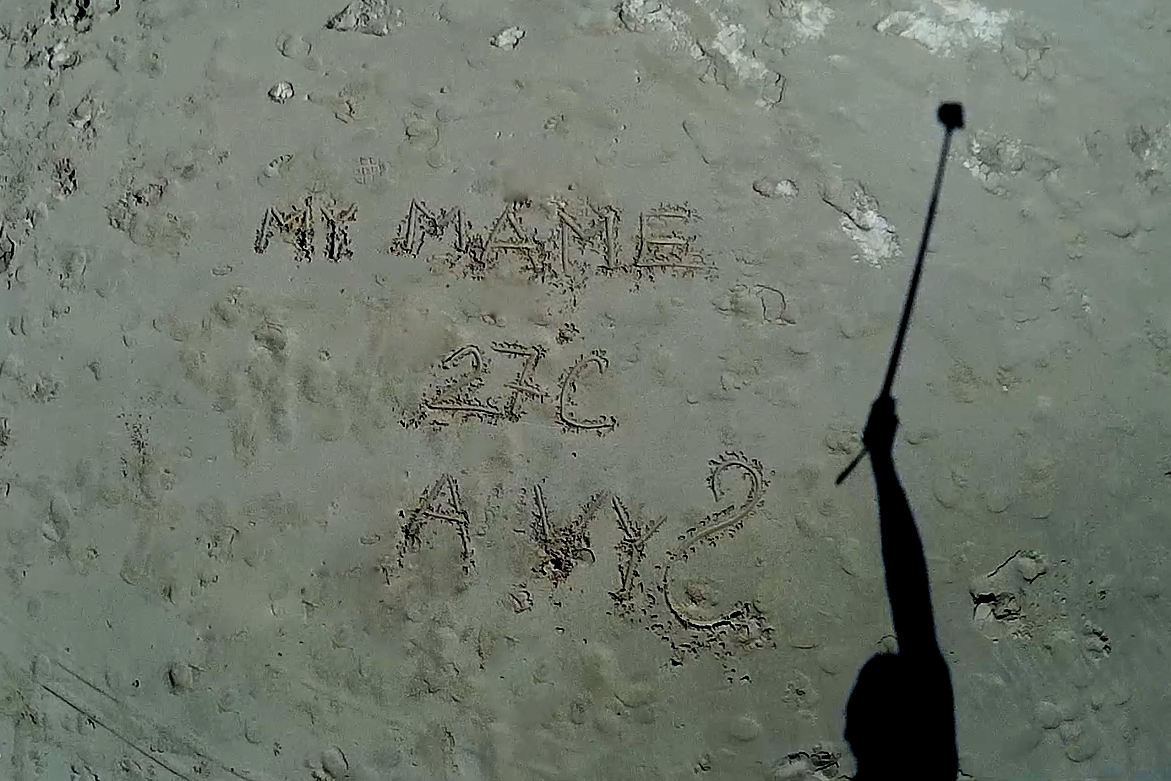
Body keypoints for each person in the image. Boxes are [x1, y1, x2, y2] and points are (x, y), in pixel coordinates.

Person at [844, 394, 959, 780]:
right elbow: (910, 599)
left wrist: (881, 460)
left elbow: (913, 612)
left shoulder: (938, 767)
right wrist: (881, 460)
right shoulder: (932, 769)